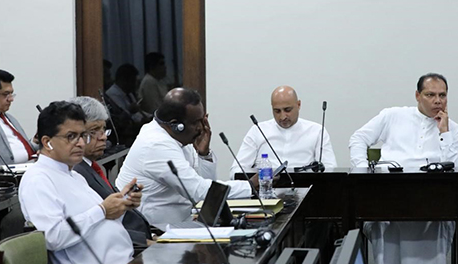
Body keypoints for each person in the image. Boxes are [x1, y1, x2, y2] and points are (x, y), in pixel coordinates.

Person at [349, 73, 458, 264]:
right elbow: (358, 139)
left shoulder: (453, 130)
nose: (437, 101)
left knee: (437, 219)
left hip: (432, 199)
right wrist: (363, 171)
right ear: (417, 96)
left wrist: (444, 133)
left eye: (442, 95)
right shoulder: (393, 116)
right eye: (430, 95)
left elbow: (457, 169)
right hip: (390, 193)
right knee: (383, 219)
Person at [19, 101, 141, 264]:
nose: (81, 143)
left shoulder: (75, 175)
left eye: (83, 135)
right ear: (47, 142)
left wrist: (122, 204)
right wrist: (102, 210)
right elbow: (52, 237)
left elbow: (99, 224)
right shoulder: (38, 179)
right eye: (71, 136)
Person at [116, 87, 253, 224]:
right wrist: (251, 186)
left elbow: (206, 191)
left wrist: (203, 155)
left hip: (181, 223)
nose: (201, 127)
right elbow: (199, 191)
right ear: (175, 125)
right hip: (153, 230)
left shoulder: (179, 138)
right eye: (196, 122)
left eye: (203, 120)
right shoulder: (156, 144)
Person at [70, 96, 153, 246]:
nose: (103, 137)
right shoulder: (77, 172)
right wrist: (145, 242)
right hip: (125, 248)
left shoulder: (89, 167)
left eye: (103, 130)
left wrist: (124, 200)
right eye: (94, 131)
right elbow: (97, 227)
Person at [230, 86, 337, 178]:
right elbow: (236, 171)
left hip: (306, 191)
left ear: (298, 105)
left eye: (287, 110)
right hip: (266, 191)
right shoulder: (258, 130)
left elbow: (330, 170)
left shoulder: (317, 131)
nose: (282, 117)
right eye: (277, 111)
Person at [0, 69, 38, 167]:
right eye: (5, 94)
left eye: (11, 94)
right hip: (5, 175)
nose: (11, 99)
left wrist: (36, 140)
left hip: (29, 168)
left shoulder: (10, 119)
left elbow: (24, 150)